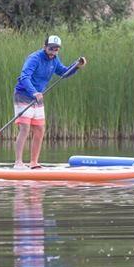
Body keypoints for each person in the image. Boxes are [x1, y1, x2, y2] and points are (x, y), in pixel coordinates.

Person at [13, 35, 86, 169]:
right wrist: (33, 92)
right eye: (51, 48)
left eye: (56, 49)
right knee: (25, 128)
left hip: (38, 97)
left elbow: (63, 73)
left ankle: (33, 163)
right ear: (45, 47)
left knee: (40, 129)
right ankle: (18, 163)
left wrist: (76, 66)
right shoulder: (34, 58)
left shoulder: (55, 60)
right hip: (24, 94)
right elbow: (24, 77)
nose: (53, 52)